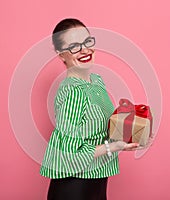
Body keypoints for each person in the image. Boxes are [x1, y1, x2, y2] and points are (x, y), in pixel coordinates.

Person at [40, 18, 139, 200]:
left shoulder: (96, 81)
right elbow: (69, 152)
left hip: (97, 182)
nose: (84, 49)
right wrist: (113, 147)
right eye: (74, 46)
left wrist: (134, 130)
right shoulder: (72, 91)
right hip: (74, 186)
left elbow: (101, 130)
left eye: (87, 41)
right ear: (61, 54)